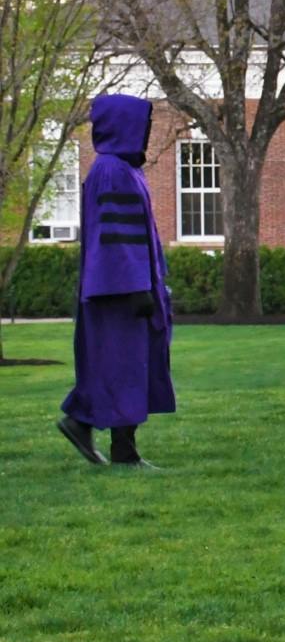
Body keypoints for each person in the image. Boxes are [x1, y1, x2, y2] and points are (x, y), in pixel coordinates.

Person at [57, 94, 174, 469]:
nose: (147, 132)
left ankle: (96, 431)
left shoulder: (124, 170)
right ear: (122, 125)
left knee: (126, 366)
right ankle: (112, 443)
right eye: (142, 125)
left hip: (127, 286)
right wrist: (135, 285)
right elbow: (115, 236)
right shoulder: (111, 171)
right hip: (118, 290)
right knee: (122, 366)